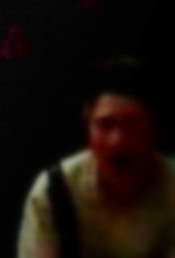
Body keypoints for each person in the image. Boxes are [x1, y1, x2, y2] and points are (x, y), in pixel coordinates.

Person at [18, 59, 173, 258]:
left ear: (155, 132)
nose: (117, 141)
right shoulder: (54, 190)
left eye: (132, 125)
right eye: (105, 125)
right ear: (88, 128)